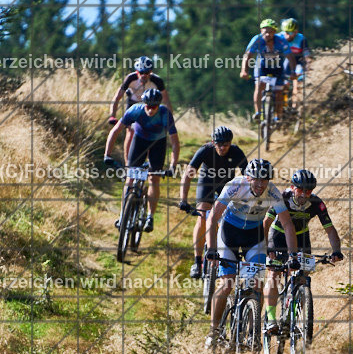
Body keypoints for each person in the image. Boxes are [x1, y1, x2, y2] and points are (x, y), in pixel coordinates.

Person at [204, 159, 299, 349]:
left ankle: (252, 330)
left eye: (264, 180)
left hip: (253, 238)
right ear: (248, 177)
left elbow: (287, 224)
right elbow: (213, 217)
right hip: (228, 235)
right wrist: (212, 248)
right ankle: (214, 331)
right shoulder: (234, 186)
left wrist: (294, 256)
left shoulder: (273, 192)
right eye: (256, 179)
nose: (260, 184)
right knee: (227, 283)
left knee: (257, 284)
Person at [263, 169, 344, 335]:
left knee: (302, 277)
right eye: (300, 190)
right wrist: (267, 247)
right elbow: (266, 222)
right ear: (293, 187)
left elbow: (329, 229)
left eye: (308, 191)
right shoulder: (282, 198)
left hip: (301, 238)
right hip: (277, 236)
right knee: (273, 275)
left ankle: (296, 309)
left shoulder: (316, 203)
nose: (304, 194)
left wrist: (336, 250)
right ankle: (270, 319)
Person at [104, 88, 180, 233]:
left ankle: (150, 217)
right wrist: (107, 154)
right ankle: (122, 215)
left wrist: (173, 166)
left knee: (154, 178)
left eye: (154, 107)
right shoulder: (135, 110)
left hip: (158, 144)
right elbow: (115, 131)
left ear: (158, 105)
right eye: (148, 106)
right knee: (130, 178)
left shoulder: (165, 114)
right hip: (139, 141)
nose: (150, 110)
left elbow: (175, 142)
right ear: (143, 104)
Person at [178, 126, 248, 279]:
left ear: (230, 143)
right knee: (202, 217)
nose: (222, 147)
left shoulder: (236, 152)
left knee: (225, 219)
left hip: (226, 186)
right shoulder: (205, 150)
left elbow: (248, 177)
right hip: (207, 183)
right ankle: (197, 261)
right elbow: (188, 175)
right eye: (219, 144)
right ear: (213, 142)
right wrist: (183, 199)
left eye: (226, 144)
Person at [104, 56, 174, 165]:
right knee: (131, 131)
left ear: (151, 72)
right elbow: (117, 97)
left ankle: (150, 160)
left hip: (151, 104)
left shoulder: (157, 81)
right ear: (137, 72)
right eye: (141, 72)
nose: (144, 75)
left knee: (152, 130)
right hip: (133, 104)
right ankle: (129, 164)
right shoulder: (130, 78)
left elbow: (167, 101)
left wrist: (169, 118)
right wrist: (112, 115)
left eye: (147, 73)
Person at [240, 19, 290, 122]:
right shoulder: (257, 40)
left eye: (271, 31)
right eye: (265, 31)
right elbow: (248, 55)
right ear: (261, 31)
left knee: (279, 91)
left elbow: (290, 56)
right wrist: (244, 70)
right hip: (262, 66)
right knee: (258, 85)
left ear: (275, 32)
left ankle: (278, 115)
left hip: (278, 68)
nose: (268, 34)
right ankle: (258, 112)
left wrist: (293, 71)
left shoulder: (280, 40)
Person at [277, 18, 310, 87]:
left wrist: (309, 63)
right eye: (286, 32)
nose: (288, 35)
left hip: (299, 61)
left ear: (296, 32)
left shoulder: (301, 39)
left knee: (297, 82)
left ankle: (296, 93)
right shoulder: (279, 37)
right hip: (285, 61)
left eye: (291, 32)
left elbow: (306, 54)